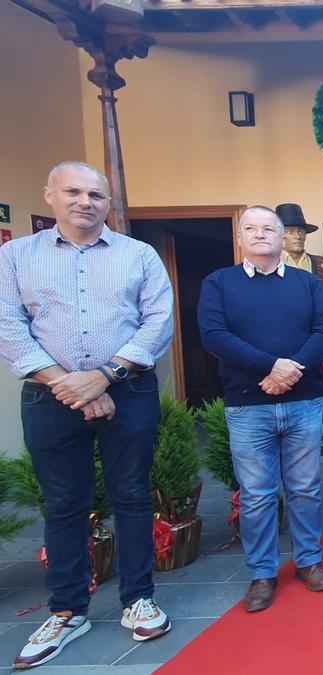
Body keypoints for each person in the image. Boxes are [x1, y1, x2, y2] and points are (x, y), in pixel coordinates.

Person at [0, 162, 174, 669]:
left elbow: (158, 322)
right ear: (50, 195)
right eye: (73, 191)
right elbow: (9, 327)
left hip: (128, 390)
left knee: (133, 496)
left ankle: (138, 597)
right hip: (48, 397)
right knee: (64, 505)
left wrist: (105, 376)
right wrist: (70, 383)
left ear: (107, 200)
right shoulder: (15, 256)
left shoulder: (138, 255)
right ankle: (67, 609)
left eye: (96, 193)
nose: (85, 201)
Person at [197, 205, 323, 613]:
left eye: (269, 229)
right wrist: (269, 367)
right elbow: (214, 335)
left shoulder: (306, 283)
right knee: (257, 495)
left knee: (306, 488)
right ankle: (262, 572)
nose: (261, 235)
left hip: (302, 400)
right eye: (252, 229)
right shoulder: (219, 283)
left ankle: (309, 561)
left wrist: (289, 372)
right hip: (249, 404)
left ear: (282, 237)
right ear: (240, 237)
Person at [276, 203, 323, 315]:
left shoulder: (320, 263)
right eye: (289, 231)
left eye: (301, 231)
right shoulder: (269, 265)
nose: (298, 236)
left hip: (316, 330)